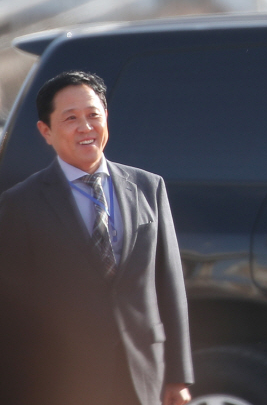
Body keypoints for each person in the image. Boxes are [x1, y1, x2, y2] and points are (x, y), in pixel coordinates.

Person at [0, 71, 193, 405]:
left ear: (106, 118)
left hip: (142, 371)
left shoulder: (148, 187)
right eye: (70, 118)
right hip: (61, 379)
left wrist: (178, 375)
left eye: (93, 115)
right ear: (45, 131)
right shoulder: (18, 204)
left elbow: (169, 284)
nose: (85, 127)